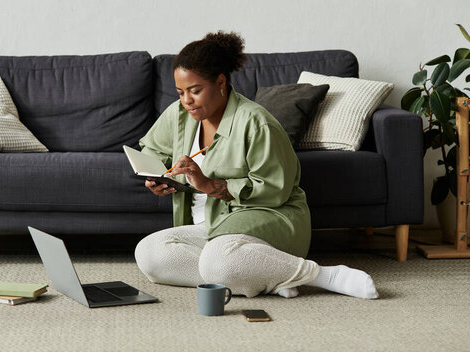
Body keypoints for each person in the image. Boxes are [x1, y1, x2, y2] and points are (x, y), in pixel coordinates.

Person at [134, 31, 378, 299]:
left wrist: (210, 185)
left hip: (269, 218)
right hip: (211, 227)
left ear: (220, 82)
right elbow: (152, 150)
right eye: (180, 92)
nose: (186, 101)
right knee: (149, 254)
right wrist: (157, 177)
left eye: (195, 91)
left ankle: (321, 275)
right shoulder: (180, 114)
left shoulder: (257, 122)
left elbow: (275, 190)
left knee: (217, 261)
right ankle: (269, 276)